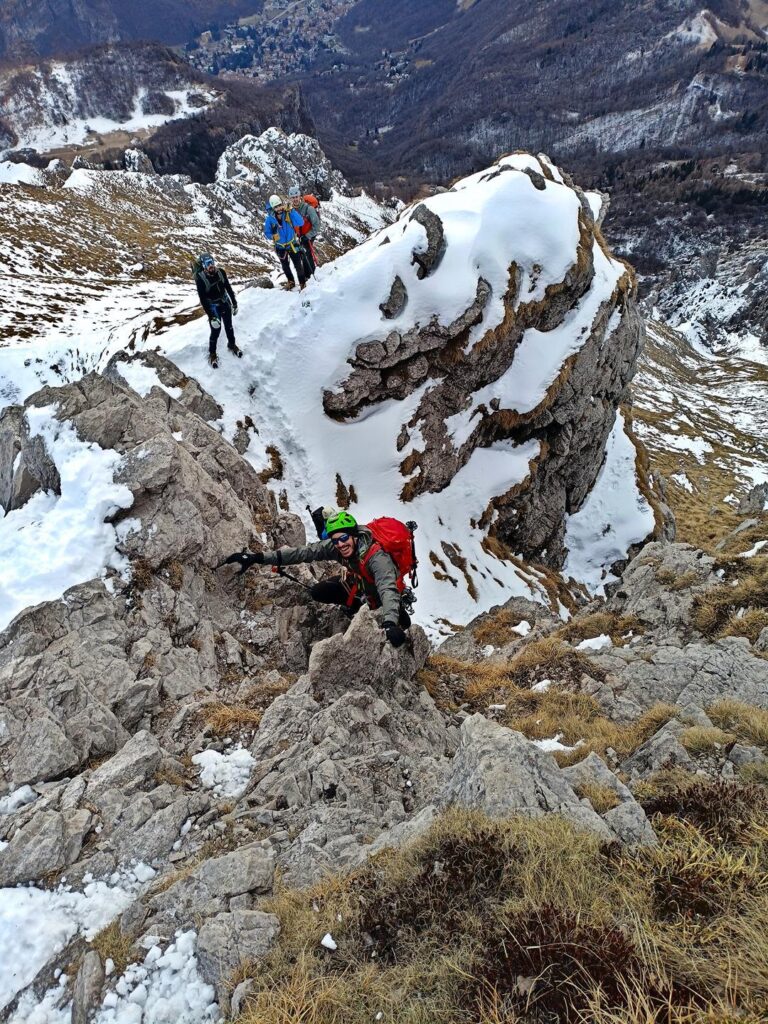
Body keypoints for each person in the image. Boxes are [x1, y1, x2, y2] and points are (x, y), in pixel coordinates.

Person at [222, 511, 410, 647]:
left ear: (353, 535)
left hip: (381, 597)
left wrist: (389, 623)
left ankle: (388, 614)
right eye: (335, 540)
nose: (340, 544)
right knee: (318, 592)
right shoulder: (337, 547)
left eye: (344, 538)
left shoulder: (377, 558)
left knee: (404, 624)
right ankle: (355, 607)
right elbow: (302, 553)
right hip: (358, 587)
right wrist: (258, 558)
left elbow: (388, 589)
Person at [195, 253, 241, 369]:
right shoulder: (200, 278)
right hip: (213, 307)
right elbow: (203, 299)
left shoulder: (221, 272)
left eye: (211, 262)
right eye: (207, 263)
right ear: (203, 265)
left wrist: (234, 303)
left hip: (224, 303)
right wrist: (211, 317)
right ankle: (212, 354)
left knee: (229, 326)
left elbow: (228, 288)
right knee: (216, 331)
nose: (210, 265)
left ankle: (232, 344)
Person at [263, 194, 308, 291]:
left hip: (292, 244)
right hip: (280, 246)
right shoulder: (269, 219)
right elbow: (267, 232)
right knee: (285, 266)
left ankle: (302, 283)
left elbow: (300, 222)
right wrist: (272, 236)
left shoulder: (288, 213)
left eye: (279, 205)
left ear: (282, 204)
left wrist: (292, 211)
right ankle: (291, 282)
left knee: (298, 265)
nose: (279, 208)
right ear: (272, 208)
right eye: (276, 207)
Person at [288, 185, 320, 276]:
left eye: (296, 197)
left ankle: (311, 275)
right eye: (293, 197)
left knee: (306, 253)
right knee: (302, 254)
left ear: (300, 197)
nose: (295, 199)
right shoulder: (291, 211)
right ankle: (308, 274)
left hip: (309, 234)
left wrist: (308, 236)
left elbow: (317, 225)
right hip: (300, 236)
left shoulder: (308, 209)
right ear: (290, 199)